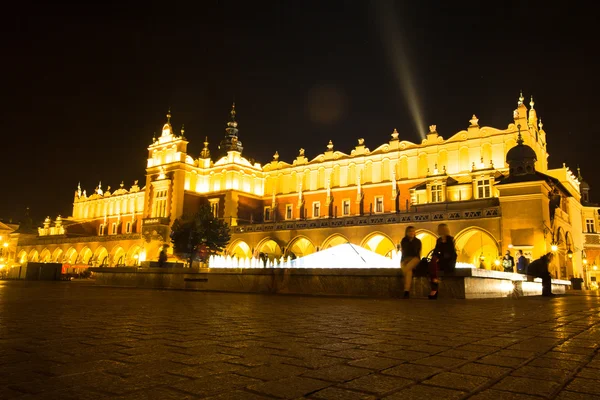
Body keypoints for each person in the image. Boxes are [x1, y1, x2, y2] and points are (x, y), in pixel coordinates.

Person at [429, 223, 457, 299]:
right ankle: (434, 285)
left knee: (434, 263)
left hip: (449, 261)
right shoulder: (439, 240)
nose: (438, 230)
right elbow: (435, 251)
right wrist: (436, 256)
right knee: (433, 260)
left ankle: (434, 289)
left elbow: (450, 253)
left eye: (439, 229)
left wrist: (439, 258)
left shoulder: (451, 239)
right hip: (441, 261)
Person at [400, 226, 422, 299]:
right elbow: (405, 252)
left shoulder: (417, 241)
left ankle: (406, 291)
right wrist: (405, 261)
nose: (412, 232)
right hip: (405, 260)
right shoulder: (404, 240)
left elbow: (417, 253)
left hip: (415, 259)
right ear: (406, 232)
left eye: (413, 231)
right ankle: (406, 291)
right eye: (410, 231)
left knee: (406, 269)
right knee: (409, 271)